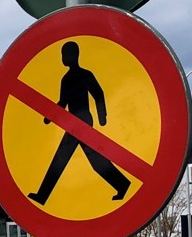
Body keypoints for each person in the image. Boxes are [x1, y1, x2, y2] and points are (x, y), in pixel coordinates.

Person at [27, 41, 131, 206]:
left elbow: (98, 94)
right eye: (62, 55)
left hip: (82, 122)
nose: (63, 58)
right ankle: (122, 184)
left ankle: (43, 195)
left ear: (74, 56)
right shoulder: (66, 79)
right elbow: (63, 101)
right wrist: (50, 116)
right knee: (94, 161)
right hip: (73, 123)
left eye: (66, 54)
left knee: (63, 160)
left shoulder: (85, 75)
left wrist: (102, 117)